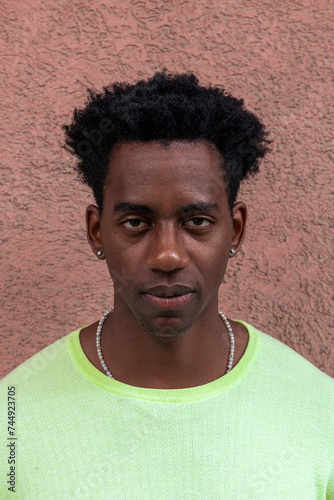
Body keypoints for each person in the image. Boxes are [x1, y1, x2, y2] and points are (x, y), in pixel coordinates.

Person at [0, 71, 333, 499]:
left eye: (197, 222)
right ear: (98, 232)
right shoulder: (12, 418)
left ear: (234, 230)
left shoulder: (320, 411)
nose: (167, 256)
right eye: (135, 223)